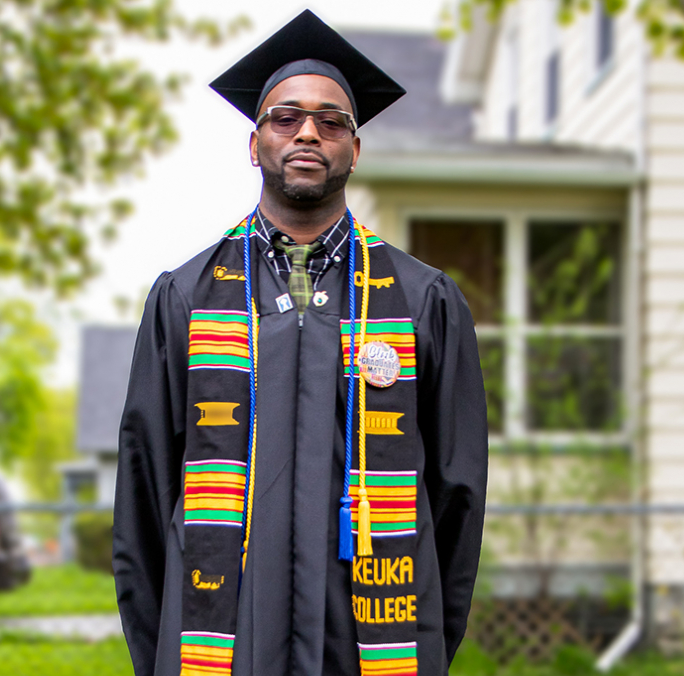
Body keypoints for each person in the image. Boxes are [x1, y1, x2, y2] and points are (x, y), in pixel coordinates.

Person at [113, 10, 488, 676]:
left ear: (355, 149)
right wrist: (161, 653)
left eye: (331, 121)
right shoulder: (187, 298)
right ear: (254, 143)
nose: (308, 132)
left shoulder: (421, 301)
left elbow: (457, 499)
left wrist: (429, 644)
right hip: (224, 645)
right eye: (285, 119)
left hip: (368, 646)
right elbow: (144, 492)